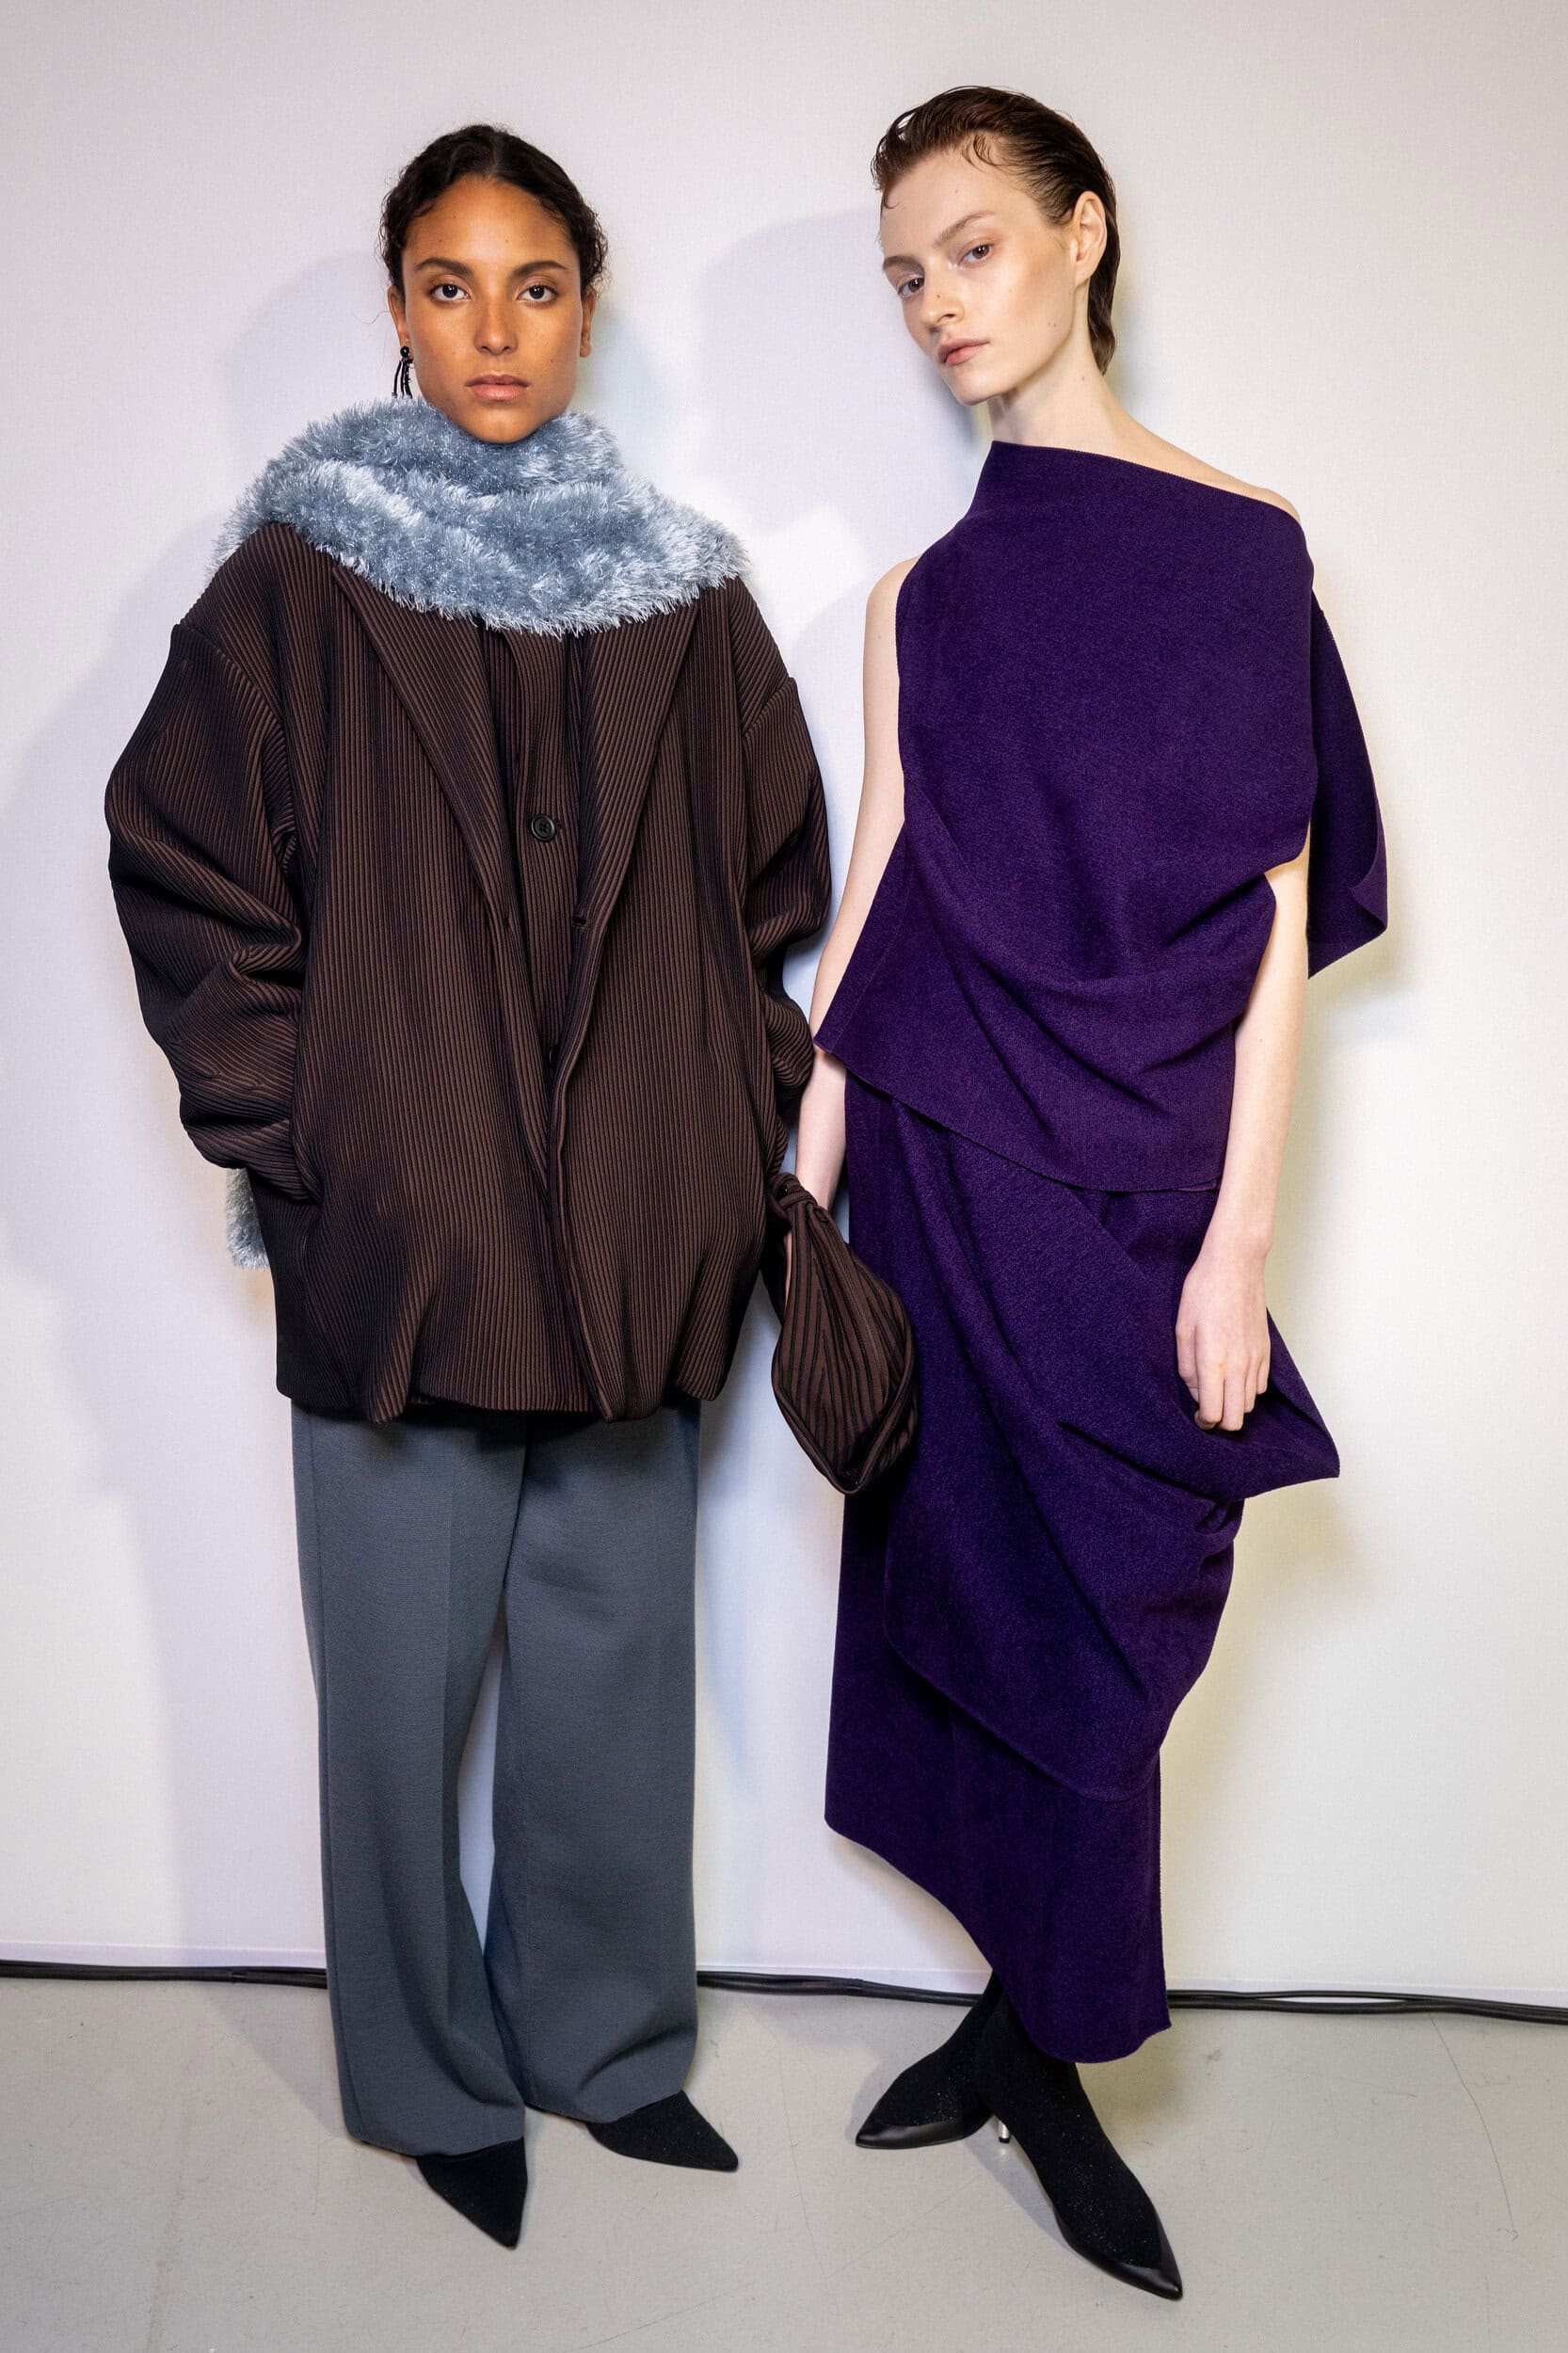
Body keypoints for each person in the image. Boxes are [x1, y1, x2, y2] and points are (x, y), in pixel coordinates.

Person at [105, 122, 829, 2249]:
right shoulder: (295, 584)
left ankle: (604, 2047)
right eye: (448, 284)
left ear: (588, 306)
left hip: (636, 1240)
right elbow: (183, 869)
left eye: (534, 283)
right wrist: (310, 1135)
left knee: (611, 1666)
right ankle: (430, 2077)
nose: (493, 328)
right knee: (396, 1688)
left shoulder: (688, 596)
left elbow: (771, 892)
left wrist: (718, 1126)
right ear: (396, 310)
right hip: (400, 1244)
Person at [793, 87, 1386, 2301]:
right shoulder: (916, 599)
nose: (937, 301)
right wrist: (796, 1203)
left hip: (1133, 1194)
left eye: (970, 246)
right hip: (935, 1183)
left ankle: (1039, 2045)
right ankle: (1019, 2031)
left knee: (1106, 1629)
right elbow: (875, 900)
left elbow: (1270, 917)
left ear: (1082, 233)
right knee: (963, 1604)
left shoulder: (1244, 549)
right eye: (904, 273)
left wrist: (1234, 1244)